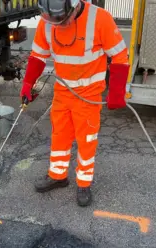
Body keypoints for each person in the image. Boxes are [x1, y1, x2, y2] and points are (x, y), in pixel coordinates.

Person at [20, 0, 129, 207]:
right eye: (52, 20)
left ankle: (84, 183)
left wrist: (116, 92)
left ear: (75, 5)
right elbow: (38, 56)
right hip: (62, 92)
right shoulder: (48, 21)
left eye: (61, 19)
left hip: (88, 96)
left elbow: (120, 56)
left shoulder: (100, 18)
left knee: (86, 141)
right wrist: (28, 84)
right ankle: (58, 176)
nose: (58, 24)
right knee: (59, 136)